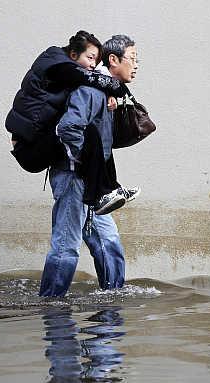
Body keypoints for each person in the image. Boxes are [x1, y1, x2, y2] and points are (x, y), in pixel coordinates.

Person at [39, 35, 140, 297]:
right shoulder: (91, 90)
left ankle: (112, 301)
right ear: (114, 60)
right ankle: (51, 307)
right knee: (66, 245)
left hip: (92, 183)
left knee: (108, 241)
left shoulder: (106, 91)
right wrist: (83, 167)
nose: (136, 65)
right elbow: (69, 128)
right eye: (133, 58)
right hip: (74, 176)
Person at [6, 30, 139, 215]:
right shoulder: (55, 63)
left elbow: (84, 78)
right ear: (74, 54)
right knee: (90, 134)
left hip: (41, 140)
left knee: (94, 134)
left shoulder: (70, 74)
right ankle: (101, 193)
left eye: (96, 61)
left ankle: (109, 189)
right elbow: (82, 77)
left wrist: (109, 92)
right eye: (90, 57)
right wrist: (113, 86)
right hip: (29, 146)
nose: (92, 65)